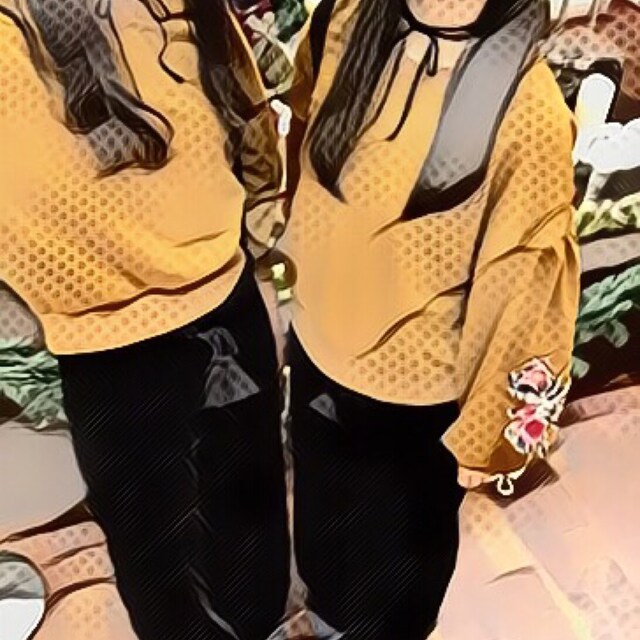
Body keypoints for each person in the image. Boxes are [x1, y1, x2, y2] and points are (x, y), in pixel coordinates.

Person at [259, 0, 581, 637]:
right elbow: (305, 135)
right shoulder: (348, 18)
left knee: (396, 575)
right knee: (324, 526)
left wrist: (489, 433)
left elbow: (525, 284)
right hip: (320, 343)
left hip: (415, 394)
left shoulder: (526, 107)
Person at [0, 1, 290, 639]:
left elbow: (241, 102)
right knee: (188, 555)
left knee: (210, 543)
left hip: (193, 309)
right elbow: (247, 118)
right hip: (129, 334)